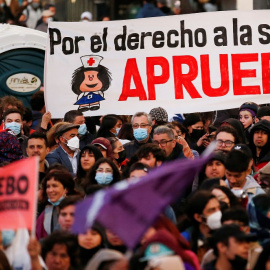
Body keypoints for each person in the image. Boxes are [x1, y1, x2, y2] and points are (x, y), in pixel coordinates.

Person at [36, 170, 79, 240]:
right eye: (48, 187)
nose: (50, 190)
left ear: (66, 189)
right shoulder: (46, 212)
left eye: (54, 186)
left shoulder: (78, 209)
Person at [181, 190, 222, 262]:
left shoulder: (224, 233)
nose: (218, 213)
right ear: (198, 217)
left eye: (218, 208)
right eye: (212, 210)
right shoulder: (185, 239)